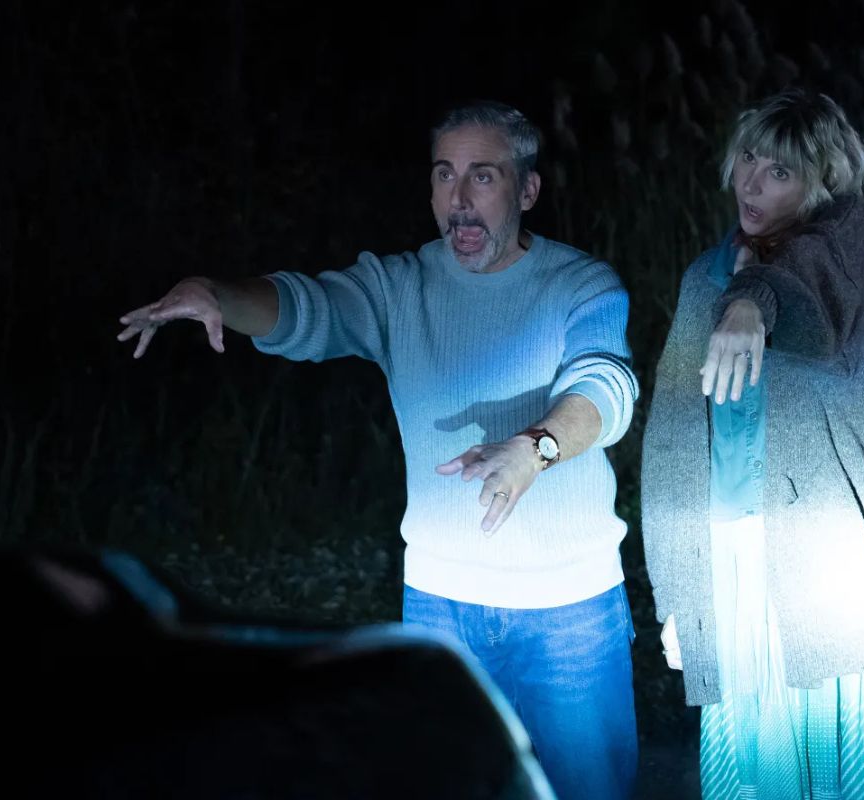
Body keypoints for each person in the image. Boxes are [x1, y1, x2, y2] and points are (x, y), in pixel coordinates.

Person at [117, 101, 640, 799]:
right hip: (440, 606)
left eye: (483, 176)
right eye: (444, 175)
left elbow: (606, 385)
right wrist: (217, 294)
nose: (459, 198)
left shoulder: (582, 284)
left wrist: (533, 448)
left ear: (527, 190)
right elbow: (308, 308)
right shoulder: (399, 287)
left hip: (567, 606)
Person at [642, 88, 864, 798]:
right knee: (763, 770)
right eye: (749, 159)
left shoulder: (845, 243)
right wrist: (677, 590)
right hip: (730, 555)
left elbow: (805, 290)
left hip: (832, 558)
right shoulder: (702, 278)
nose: (752, 183)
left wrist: (751, 304)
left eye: (780, 172)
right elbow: (670, 442)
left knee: (859, 764)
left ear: (821, 185)